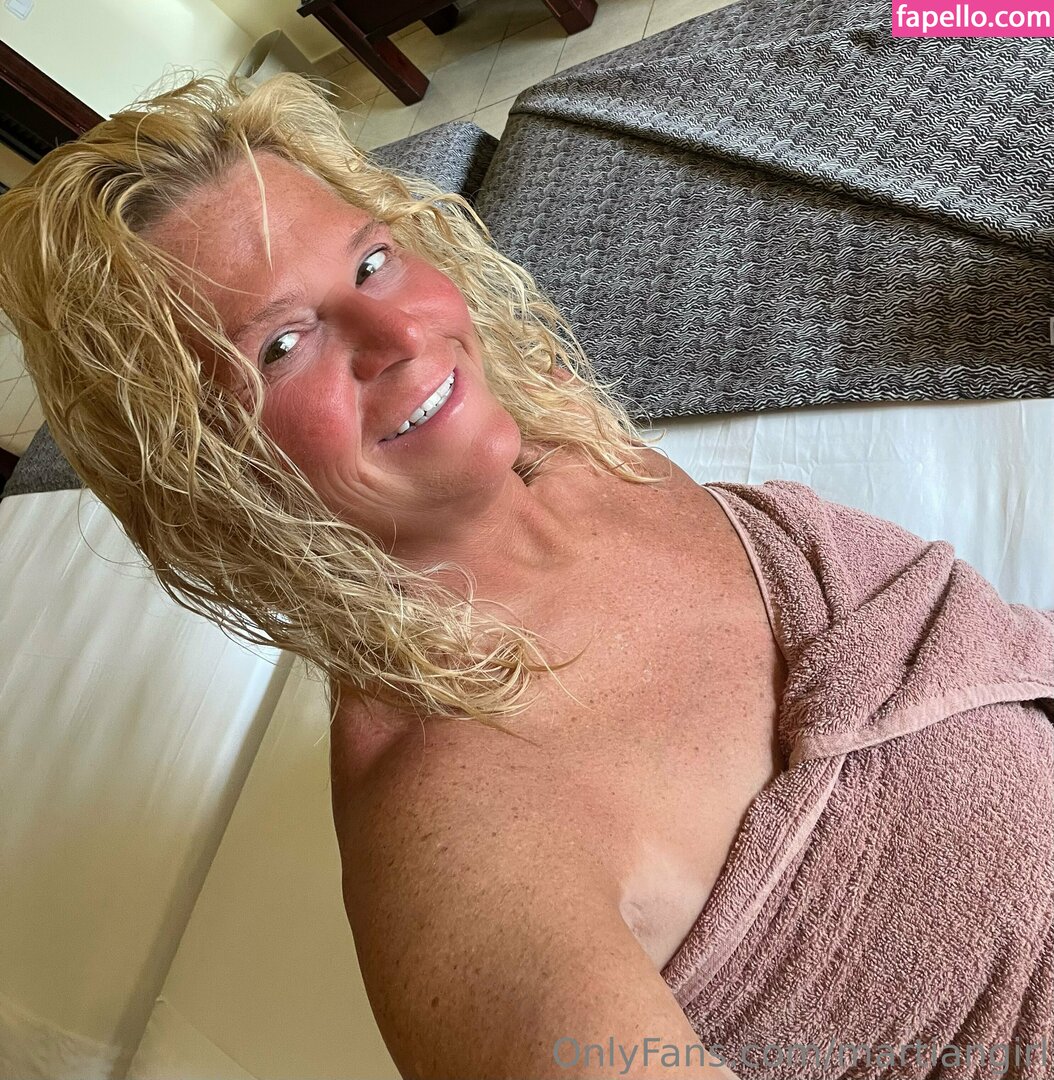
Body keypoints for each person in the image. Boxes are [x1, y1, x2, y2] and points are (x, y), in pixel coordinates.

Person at [0, 75, 1050, 1080]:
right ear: (200, 468)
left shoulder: (556, 427)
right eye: (281, 346)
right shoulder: (461, 851)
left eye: (372, 262)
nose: (403, 334)